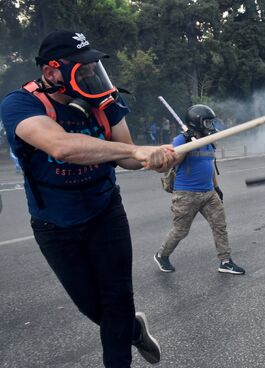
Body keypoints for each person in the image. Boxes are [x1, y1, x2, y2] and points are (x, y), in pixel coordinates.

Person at [0, 30, 177, 367]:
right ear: (52, 72)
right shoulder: (21, 104)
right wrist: (137, 150)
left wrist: (155, 159)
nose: (91, 73)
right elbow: (62, 147)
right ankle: (134, 331)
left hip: (105, 211)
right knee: (91, 306)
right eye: (81, 67)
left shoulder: (105, 101)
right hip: (55, 224)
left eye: (92, 65)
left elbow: (126, 158)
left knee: (117, 301)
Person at [154, 104, 245, 275]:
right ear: (197, 123)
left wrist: (217, 188)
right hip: (186, 194)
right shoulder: (181, 140)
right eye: (207, 122)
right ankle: (162, 255)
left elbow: (209, 165)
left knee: (220, 226)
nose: (211, 126)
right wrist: (187, 143)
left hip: (208, 193)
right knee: (181, 231)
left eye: (211, 122)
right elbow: (174, 162)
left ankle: (225, 261)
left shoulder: (209, 142)